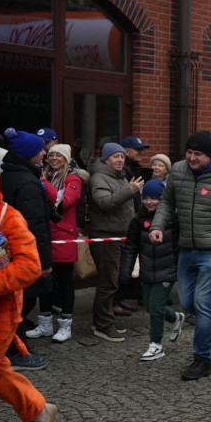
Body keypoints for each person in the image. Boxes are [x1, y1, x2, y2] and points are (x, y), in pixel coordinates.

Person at [150, 131, 211, 380]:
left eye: (198, 154)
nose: (192, 158)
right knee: (187, 302)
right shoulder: (179, 171)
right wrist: (157, 226)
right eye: (189, 152)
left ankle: (202, 359)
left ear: (210, 154)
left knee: (203, 303)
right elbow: (166, 202)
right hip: (186, 249)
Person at [0, 145, 59, 422]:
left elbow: (30, 267)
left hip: (0, 310)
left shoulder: (7, 218)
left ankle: (38, 410)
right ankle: (39, 409)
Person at [0, 129, 52, 368]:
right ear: (28, 153)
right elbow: (36, 226)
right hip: (25, 253)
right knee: (23, 300)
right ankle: (13, 350)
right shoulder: (27, 182)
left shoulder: (10, 174)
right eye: (39, 149)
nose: (43, 153)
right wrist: (43, 262)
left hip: (10, 249)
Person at [119, 179, 185, 361]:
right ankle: (175, 318)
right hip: (147, 269)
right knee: (148, 305)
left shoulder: (173, 218)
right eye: (146, 197)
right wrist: (125, 271)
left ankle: (156, 345)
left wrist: (180, 270)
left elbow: (180, 246)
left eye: (154, 198)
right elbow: (131, 246)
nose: (149, 202)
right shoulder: (138, 219)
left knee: (155, 308)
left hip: (167, 269)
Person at [88, 142, 143, 342]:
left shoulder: (119, 177)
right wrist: (129, 190)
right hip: (106, 238)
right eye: (115, 157)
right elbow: (104, 203)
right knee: (108, 283)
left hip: (121, 236)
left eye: (121, 156)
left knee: (114, 282)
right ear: (105, 159)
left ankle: (102, 321)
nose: (120, 160)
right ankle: (103, 325)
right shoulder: (99, 178)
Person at [32, 144, 83, 343]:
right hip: (46, 235)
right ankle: (44, 323)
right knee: (44, 280)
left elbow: (63, 203)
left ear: (67, 159)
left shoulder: (73, 179)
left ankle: (65, 325)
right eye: (51, 155)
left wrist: (43, 184)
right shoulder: (47, 176)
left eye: (58, 156)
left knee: (64, 282)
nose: (53, 158)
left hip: (63, 235)